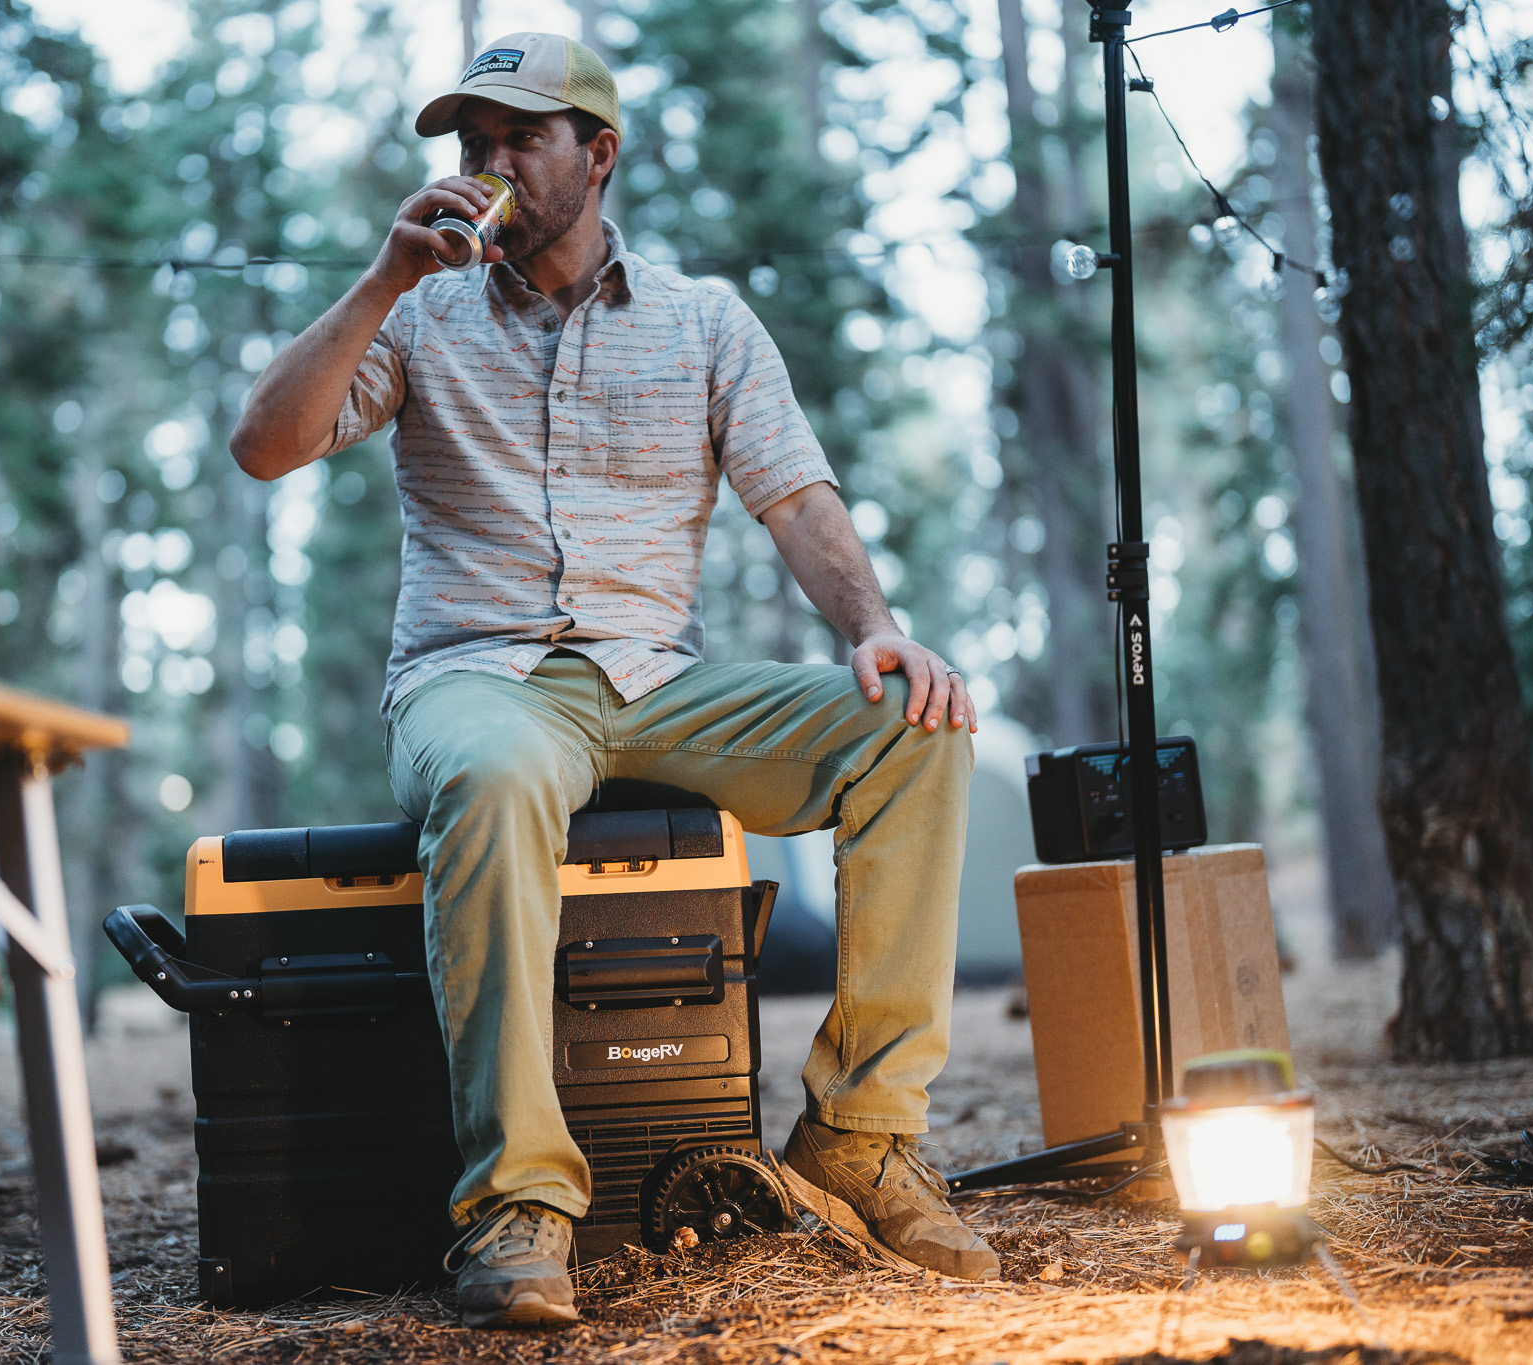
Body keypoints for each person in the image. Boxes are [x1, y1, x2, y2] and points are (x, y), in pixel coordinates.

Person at [230, 31, 995, 1329]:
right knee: (493, 773)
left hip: (655, 681)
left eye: (519, 138)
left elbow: (796, 497)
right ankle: (518, 1202)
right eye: (473, 143)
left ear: (597, 154)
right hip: (477, 680)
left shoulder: (703, 323)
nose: (489, 163)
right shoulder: (416, 314)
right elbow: (264, 447)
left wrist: (875, 628)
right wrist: (381, 276)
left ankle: (861, 1136)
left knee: (916, 727)